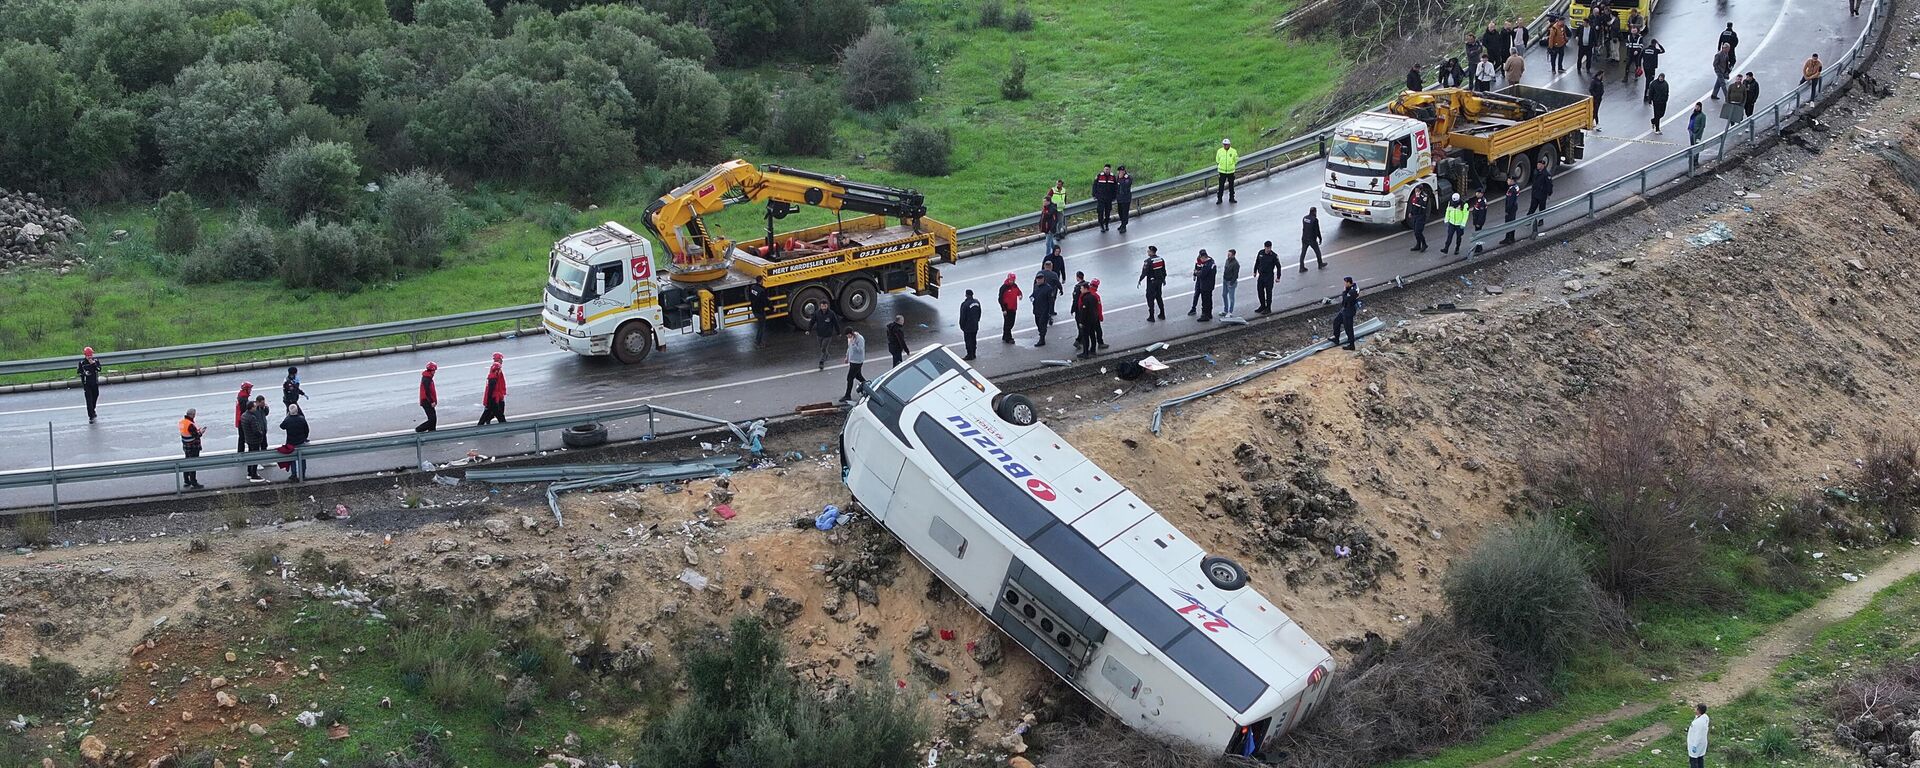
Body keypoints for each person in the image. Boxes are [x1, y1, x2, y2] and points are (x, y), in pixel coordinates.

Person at [279, 403, 309, 483]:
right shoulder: (302, 419)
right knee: (302, 459)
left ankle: (294, 475)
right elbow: (307, 430)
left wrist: (287, 416)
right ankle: (302, 474)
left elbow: (281, 426)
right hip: (301, 441)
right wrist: (304, 437)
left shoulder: (288, 420)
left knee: (292, 459)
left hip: (291, 442)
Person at [241, 400, 269, 483]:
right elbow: (256, 431)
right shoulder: (252, 417)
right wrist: (261, 434)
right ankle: (254, 474)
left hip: (248, 439)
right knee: (255, 457)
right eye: (254, 407)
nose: (256, 408)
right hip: (254, 440)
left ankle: (250, 473)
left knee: (250, 456)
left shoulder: (244, 415)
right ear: (251, 408)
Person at [178, 409, 207, 490]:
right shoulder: (190, 424)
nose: (195, 415)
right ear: (192, 415)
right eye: (194, 414)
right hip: (193, 447)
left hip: (186, 446)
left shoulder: (182, 422)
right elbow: (196, 436)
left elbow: (187, 433)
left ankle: (186, 480)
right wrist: (201, 432)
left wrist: (196, 430)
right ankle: (194, 482)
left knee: (187, 462)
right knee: (193, 464)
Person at [1138, 246, 1167, 321]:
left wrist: (1140, 280)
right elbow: (1164, 271)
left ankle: (1151, 316)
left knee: (1150, 298)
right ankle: (1162, 313)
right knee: (1159, 297)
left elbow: (1144, 272)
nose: (1147, 252)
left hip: (1151, 283)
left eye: (1148, 251)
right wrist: (1163, 280)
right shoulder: (1161, 259)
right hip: (1159, 282)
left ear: (1151, 252)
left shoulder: (1148, 261)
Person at [1031, 269, 1059, 347]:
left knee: (1042, 324)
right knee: (1038, 323)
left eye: (1040, 279)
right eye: (1038, 279)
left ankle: (1042, 339)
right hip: (1036, 309)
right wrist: (1031, 297)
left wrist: (1050, 311)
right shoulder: (1036, 286)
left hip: (1044, 310)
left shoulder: (1048, 288)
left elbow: (1051, 300)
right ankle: (1041, 334)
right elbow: (1033, 294)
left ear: (1043, 279)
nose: (1039, 280)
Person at [479, 353, 508, 425]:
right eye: (501, 359)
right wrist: (489, 399)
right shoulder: (496, 369)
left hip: (497, 395)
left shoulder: (497, 369)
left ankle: (484, 423)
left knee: (495, 411)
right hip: (494, 397)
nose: (502, 361)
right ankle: (505, 426)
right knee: (499, 414)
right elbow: (492, 386)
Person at [840, 329, 868, 403]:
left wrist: (853, 343)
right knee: (858, 376)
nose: (847, 337)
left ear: (851, 333)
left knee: (850, 378)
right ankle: (868, 387)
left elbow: (860, 350)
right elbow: (849, 348)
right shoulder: (850, 338)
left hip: (858, 361)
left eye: (848, 335)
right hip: (852, 360)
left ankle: (847, 395)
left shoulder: (860, 339)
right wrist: (847, 357)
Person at [811, 303, 842, 368]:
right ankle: (826, 354)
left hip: (828, 335)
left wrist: (838, 333)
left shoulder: (831, 314)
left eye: (825, 306)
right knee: (822, 348)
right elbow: (812, 321)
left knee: (823, 348)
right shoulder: (817, 313)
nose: (824, 308)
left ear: (827, 306)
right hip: (819, 334)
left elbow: (836, 323)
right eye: (822, 306)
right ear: (820, 306)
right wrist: (808, 330)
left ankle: (821, 362)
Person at [1332, 277, 1359, 350]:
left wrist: (1344, 292)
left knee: (1348, 328)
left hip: (1349, 310)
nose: (1344, 284)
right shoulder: (1352, 287)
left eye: (1345, 282)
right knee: (1336, 322)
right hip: (1345, 309)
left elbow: (1346, 298)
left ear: (1349, 283)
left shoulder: (1352, 291)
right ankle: (1336, 338)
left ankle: (1351, 345)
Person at [1253, 242, 1280, 314]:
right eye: (1267, 248)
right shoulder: (1261, 253)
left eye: (1269, 248)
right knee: (1260, 291)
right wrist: (1255, 271)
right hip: (1261, 276)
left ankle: (1268, 308)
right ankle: (1262, 306)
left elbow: (1278, 266)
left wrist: (1278, 277)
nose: (1268, 249)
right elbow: (1257, 262)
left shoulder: (1274, 256)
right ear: (1264, 247)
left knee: (1268, 293)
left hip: (1269, 276)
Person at [77, 346, 102, 423]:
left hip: (94, 383)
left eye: (90, 355)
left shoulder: (96, 361)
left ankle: (93, 409)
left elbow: (99, 369)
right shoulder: (82, 363)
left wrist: (94, 364)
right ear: (85, 355)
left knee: (96, 395)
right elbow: (79, 372)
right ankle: (91, 415)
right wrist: (84, 373)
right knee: (89, 400)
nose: (89, 357)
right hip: (86, 384)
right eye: (88, 355)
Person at [747, 276, 772, 347]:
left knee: (760, 326)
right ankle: (758, 342)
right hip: (760, 311)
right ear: (761, 281)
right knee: (761, 327)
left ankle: (758, 341)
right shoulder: (762, 291)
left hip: (754, 309)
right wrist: (772, 308)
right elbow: (765, 302)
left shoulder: (752, 288)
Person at [1092, 164, 1118, 232]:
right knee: (1100, 212)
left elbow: (1115, 187)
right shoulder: (1099, 176)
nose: (1106, 170)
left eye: (1108, 169)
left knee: (1108, 212)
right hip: (1100, 198)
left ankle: (1106, 224)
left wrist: (1114, 196)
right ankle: (1101, 225)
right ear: (1103, 169)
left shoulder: (1112, 177)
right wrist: (1094, 195)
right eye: (1105, 169)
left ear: (1110, 170)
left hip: (1109, 198)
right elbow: (1094, 185)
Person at [997, 273, 1022, 342]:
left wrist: (1020, 295)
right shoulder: (1003, 288)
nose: (1012, 281)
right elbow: (1000, 299)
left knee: (1011, 323)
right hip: (1007, 308)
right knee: (1008, 323)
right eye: (1011, 280)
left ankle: (1005, 336)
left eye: (1013, 280)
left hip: (1013, 307)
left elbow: (1019, 292)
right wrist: (1003, 309)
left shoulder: (1015, 286)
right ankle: (1008, 338)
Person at [1070, 270, 1091, 351]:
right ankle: (1081, 340)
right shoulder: (1086, 285)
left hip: (1079, 310)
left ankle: (1078, 341)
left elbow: (1075, 300)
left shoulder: (1078, 287)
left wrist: (1072, 309)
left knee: (1081, 326)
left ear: (1077, 277)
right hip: (1085, 309)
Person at [1193, 250, 1217, 322]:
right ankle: (1209, 314)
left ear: (1203, 257)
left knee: (1205, 301)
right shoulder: (1212, 262)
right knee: (1209, 299)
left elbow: (1202, 275)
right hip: (1210, 284)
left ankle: (1205, 315)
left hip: (1205, 285)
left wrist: (1197, 273)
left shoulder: (1207, 265)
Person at [958, 289, 982, 360]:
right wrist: (977, 320)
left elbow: (962, 316)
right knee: (973, 340)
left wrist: (962, 326)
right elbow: (979, 312)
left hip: (967, 327)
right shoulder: (977, 302)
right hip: (975, 325)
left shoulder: (964, 304)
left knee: (968, 341)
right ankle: (974, 353)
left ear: (966, 295)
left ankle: (969, 355)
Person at [415, 362, 438, 432]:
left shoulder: (428, 377)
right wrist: (432, 401)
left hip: (427, 400)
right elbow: (427, 392)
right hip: (426, 401)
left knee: (433, 418)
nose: (435, 372)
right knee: (432, 419)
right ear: (431, 370)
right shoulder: (427, 379)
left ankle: (432, 431)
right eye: (434, 371)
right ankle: (419, 429)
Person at [1299, 207, 1325, 271]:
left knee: (1303, 253)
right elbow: (1317, 230)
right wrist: (1320, 238)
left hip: (1304, 238)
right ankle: (1320, 264)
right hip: (1312, 239)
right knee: (1317, 252)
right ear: (1315, 212)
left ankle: (1301, 267)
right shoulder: (1315, 220)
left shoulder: (1305, 218)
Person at [1407, 186, 1431, 252]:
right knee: (1415, 231)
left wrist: (1418, 198)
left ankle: (1424, 244)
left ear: (1420, 190)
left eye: (1417, 190)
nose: (1416, 191)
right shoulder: (1414, 196)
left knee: (1418, 231)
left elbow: (1423, 205)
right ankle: (1418, 245)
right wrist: (1411, 212)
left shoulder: (1424, 197)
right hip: (1415, 215)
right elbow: (1413, 204)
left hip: (1421, 216)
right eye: (1415, 190)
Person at [1215, 139, 1238, 204]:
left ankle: (1232, 198)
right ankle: (1219, 199)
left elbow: (1236, 160)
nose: (1225, 146)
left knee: (1231, 186)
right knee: (1221, 186)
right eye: (1224, 144)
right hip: (1222, 172)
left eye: (1226, 144)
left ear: (1229, 144)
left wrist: (1232, 165)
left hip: (1231, 171)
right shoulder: (1220, 151)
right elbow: (1217, 160)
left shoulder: (1233, 151)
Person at [1687, 704, 1710, 768]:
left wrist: (1695, 745)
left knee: (1693, 761)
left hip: (1696, 743)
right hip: (1702, 743)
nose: (1695, 710)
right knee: (1700, 759)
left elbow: (1698, 734)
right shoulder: (1705, 717)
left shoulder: (1699, 722)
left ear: (1699, 711)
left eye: (1696, 709)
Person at [234, 382, 254, 453]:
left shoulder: (241, 396)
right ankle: (242, 453)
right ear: (246, 389)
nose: (250, 390)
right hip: (242, 421)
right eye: (249, 389)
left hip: (240, 420)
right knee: (244, 437)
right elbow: (245, 410)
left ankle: (240, 452)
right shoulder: (243, 399)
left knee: (241, 438)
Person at [1220, 249, 1240, 316]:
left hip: (1231, 282)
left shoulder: (1236, 264)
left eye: (1229, 255)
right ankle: (1225, 310)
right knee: (1224, 295)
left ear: (1233, 255)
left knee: (1231, 298)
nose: (1228, 256)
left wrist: (1231, 283)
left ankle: (1230, 312)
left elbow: (1235, 275)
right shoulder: (1227, 260)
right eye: (1228, 254)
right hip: (1225, 280)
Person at [1115, 165, 1134, 233]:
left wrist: (1121, 179)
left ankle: (1124, 226)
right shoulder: (1117, 177)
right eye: (1120, 171)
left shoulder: (1128, 177)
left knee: (1125, 213)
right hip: (1119, 198)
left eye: (1122, 171)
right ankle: (1122, 224)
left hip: (1126, 198)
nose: (1121, 172)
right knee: (1120, 212)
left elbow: (1126, 185)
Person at [1501, 178, 1520, 243]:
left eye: (1508, 180)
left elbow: (1510, 201)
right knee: (1512, 222)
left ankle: (1508, 238)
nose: (1507, 181)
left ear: (1512, 181)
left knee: (1509, 223)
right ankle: (1511, 238)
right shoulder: (1516, 186)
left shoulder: (1511, 190)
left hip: (1511, 209)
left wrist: (1507, 211)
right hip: (1514, 207)